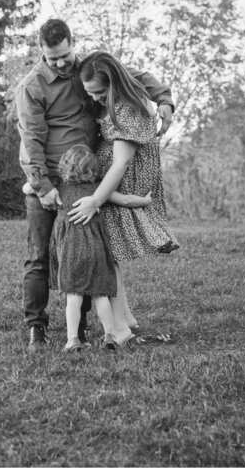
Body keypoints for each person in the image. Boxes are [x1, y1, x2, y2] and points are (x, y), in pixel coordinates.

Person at [16, 18, 175, 351]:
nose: (60, 63)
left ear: (73, 44)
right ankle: (37, 327)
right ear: (42, 51)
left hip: (88, 179)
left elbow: (137, 78)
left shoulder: (88, 69)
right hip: (51, 180)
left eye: (64, 55)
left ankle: (86, 327)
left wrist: (164, 100)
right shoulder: (31, 87)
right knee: (40, 255)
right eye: (52, 57)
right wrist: (43, 186)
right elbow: (30, 140)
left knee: (88, 249)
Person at [66, 50, 179, 346]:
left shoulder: (128, 110)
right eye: (90, 93)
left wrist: (95, 200)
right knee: (109, 256)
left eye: (99, 93)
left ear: (114, 83)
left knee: (107, 258)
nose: (94, 99)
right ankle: (124, 320)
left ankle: (119, 329)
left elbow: (121, 164)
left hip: (117, 187)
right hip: (112, 188)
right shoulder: (114, 94)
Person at [45, 144, 145, 352]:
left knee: (74, 296)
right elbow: (126, 200)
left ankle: (72, 339)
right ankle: (109, 334)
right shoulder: (98, 190)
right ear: (93, 168)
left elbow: (28, 188)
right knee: (100, 294)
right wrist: (146, 199)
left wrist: (38, 185)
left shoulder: (59, 189)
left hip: (71, 252)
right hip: (97, 250)